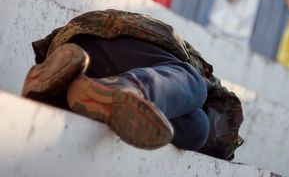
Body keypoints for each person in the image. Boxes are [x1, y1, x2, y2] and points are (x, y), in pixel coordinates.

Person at [22, 9, 243, 159]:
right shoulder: (197, 77)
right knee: (195, 88)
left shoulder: (191, 115)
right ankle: (130, 87)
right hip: (105, 35)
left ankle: (61, 91)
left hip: (83, 63)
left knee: (197, 127)